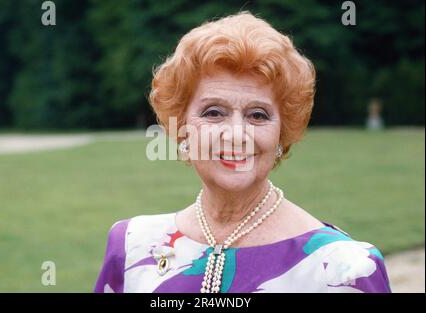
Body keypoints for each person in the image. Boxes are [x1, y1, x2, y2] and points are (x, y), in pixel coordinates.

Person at [94, 11, 391, 293]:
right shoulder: (131, 246)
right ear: (183, 127)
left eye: (258, 115)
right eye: (213, 112)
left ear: (281, 133)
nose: (236, 134)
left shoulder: (344, 269)